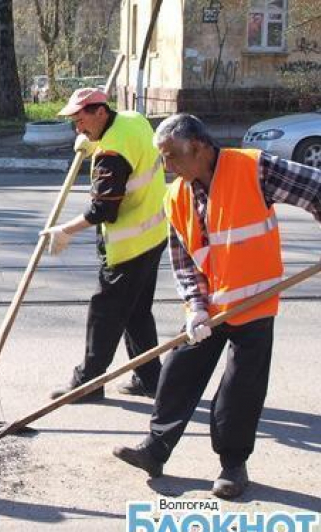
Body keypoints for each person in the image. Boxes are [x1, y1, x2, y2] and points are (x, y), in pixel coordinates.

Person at [113, 113, 321, 499]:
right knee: (177, 371)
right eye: (164, 158)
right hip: (209, 307)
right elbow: (184, 261)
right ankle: (156, 449)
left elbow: (315, 187)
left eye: (173, 156)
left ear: (201, 148)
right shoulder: (175, 196)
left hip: (254, 303)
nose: (167, 166)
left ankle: (233, 466)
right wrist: (195, 308)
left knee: (240, 389)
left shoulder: (253, 168)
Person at [42, 88, 169, 402]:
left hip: (129, 246)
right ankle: (151, 377)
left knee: (105, 313)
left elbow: (103, 210)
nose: (78, 128)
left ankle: (88, 382)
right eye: (74, 121)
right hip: (154, 235)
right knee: (136, 312)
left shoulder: (111, 154)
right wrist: (92, 143)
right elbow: (132, 153)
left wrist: (65, 231)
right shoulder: (134, 119)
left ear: (100, 112)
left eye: (81, 119)